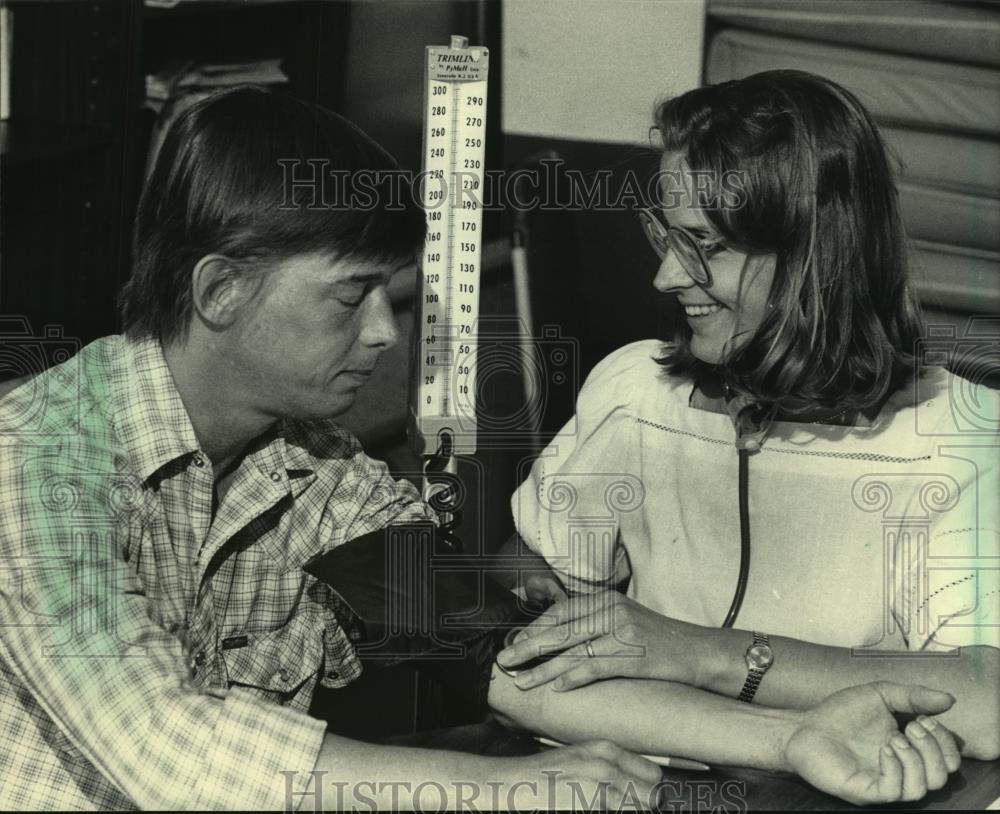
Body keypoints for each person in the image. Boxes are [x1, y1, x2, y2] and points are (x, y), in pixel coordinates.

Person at [0, 83, 971, 811]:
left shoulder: (316, 473)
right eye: (351, 298)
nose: (386, 334)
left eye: (394, 296)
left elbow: (510, 659)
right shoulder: (37, 463)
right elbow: (165, 750)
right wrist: (498, 789)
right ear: (220, 291)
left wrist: (795, 738)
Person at [496, 69, 999, 798]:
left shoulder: (959, 438)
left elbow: (986, 699)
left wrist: (698, 653)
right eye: (668, 237)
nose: (668, 276)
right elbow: (523, 566)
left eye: (707, 245)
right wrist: (557, 604)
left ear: (817, 257)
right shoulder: (636, 390)